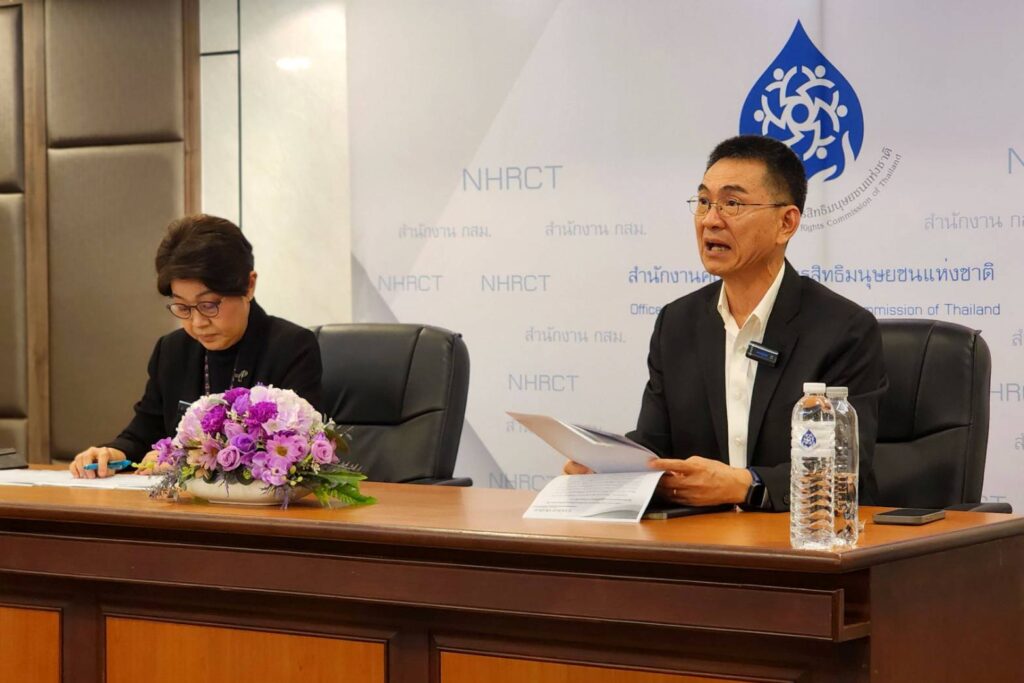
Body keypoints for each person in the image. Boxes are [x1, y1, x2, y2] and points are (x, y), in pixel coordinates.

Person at [565, 135, 886, 510]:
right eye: (704, 202)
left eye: (732, 204)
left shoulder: (843, 330)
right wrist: (609, 469)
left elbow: (842, 472)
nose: (710, 220)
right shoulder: (677, 323)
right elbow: (655, 446)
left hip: (796, 536)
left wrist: (745, 485)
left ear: (786, 223)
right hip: (699, 538)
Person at [70, 214, 322, 478]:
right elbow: (143, 432)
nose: (198, 322)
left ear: (249, 285)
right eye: (183, 307)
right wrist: (113, 453)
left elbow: (295, 451)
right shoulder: (172, 350)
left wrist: (187, 459)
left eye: (209, 305)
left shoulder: (291, 347)